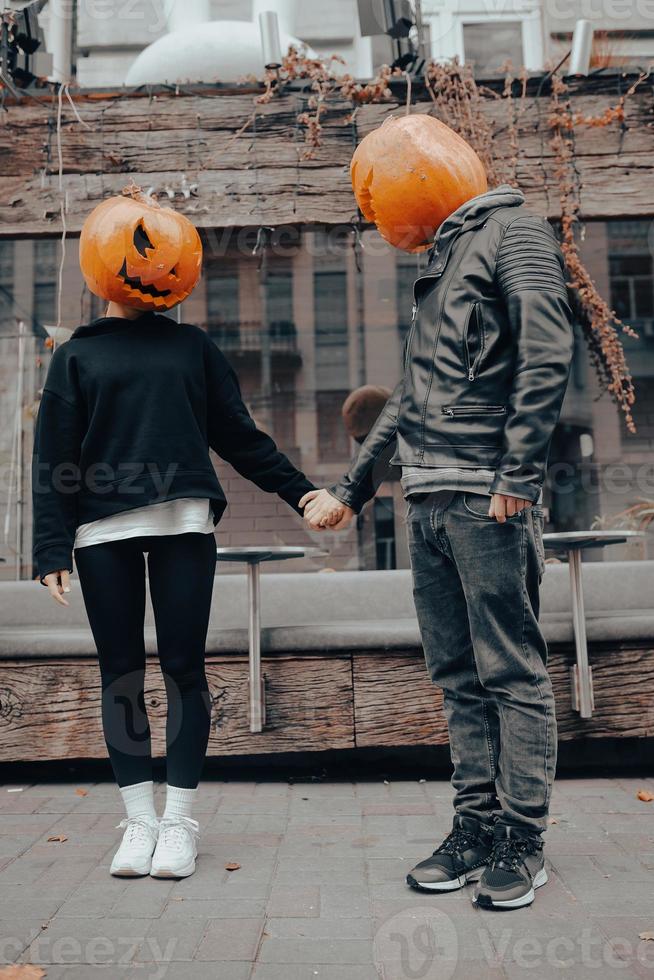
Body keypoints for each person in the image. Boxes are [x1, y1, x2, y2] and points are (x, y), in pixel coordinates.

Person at [301, 183, 574, 910]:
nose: (372, 205)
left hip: (486, 492)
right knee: (456, 674)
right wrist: (354, 490)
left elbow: (548, 345)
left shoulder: (511, 229)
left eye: (375, 188)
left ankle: (522, 837)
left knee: (509, 672)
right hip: (425, 496)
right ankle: (476, 827)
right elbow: (409, 399)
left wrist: (518, 469)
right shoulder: (446, 256)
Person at [32, 192, 316, 880]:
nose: (161, 266)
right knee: (121, 675)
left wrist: (301, 491)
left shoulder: (193, 348)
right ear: (105, 261)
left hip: (185, 525)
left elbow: (239, 436)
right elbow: (53, 458)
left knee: (185, 671)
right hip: (103, 533)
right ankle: (139, 822)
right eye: (142, 248)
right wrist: (49, 549)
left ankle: (180, 821)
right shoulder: (73, 358)